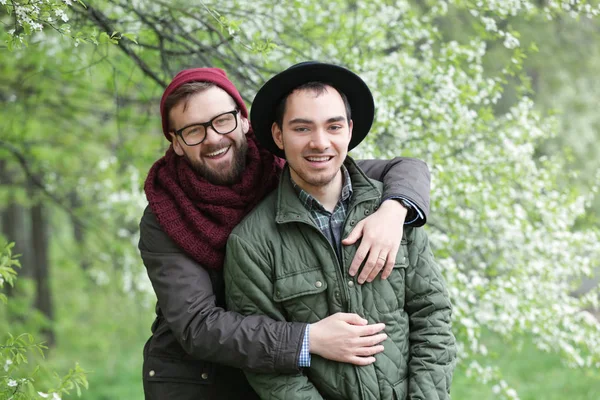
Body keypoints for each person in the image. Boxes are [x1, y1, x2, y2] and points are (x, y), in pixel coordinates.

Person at [140, 66, 433, 399]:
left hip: (276, 365)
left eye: (222, 120)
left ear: (244, 120)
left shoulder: (284, 164)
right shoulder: (167, 213)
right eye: (194, 130)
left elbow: (406, 168)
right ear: (176, 142)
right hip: (199, 379)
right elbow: (198, 326)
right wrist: (309, 339)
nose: (213, 137)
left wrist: (395, 210)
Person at [224, 61, 456, 400]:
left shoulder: (393, 211)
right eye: (302, 129)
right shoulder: (252, 243)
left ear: (349, 130)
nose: (320, 143)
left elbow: (432, 314)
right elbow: (269, 368)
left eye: (333, 127)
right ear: (278, 135)